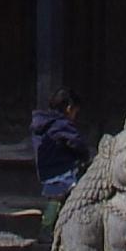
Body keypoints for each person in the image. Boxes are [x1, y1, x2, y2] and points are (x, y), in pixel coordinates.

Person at [29, 79, 87, 240]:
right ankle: (46, 230)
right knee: (58, 198)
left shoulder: (43, 123)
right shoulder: (60, 124)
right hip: (59, 168)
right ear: (69, 108)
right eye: (76, 111)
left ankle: (52, 229)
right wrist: (84, 155)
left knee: (58, 198)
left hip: (46, 168)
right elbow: (77, 143)